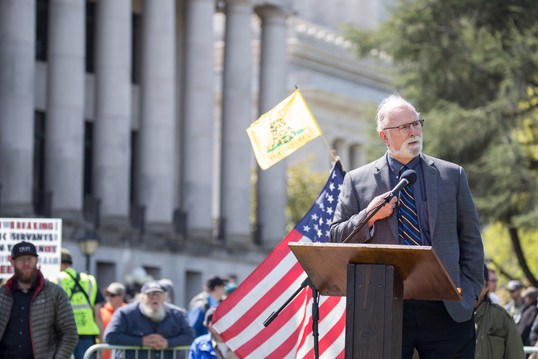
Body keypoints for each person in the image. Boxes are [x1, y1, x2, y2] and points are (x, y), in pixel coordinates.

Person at [330, 93, 484, 358]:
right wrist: (369, 215)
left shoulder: (452, 175)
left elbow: (470, 240)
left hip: (446, 305)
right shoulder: (358, 181)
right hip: (383, 305)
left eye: (416, 123)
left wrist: (469, 291)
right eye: (404, 127)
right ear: (384, 136)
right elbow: (335, 237)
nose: (414, 131)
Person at [0, 241, 79, 358]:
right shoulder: (2, 294)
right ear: (12, 262)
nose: (26, 263)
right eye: (21, 259)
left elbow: (69, 335)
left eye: (30, 259)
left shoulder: (55, 293)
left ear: (36, 261)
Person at [104, 280, 195, 359]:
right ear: (142, 297)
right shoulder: (125, 313)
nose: (155, 298)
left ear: (163, 297)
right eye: (150, 295)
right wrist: (142, 341)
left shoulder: (177, 314)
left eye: (158, 295)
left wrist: (167, 342)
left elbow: (190, 336)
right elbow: (110, 336)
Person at [54, 248, 106, 359]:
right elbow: (98, 314)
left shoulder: (54, 279)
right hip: (87, 336)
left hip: (63, 335)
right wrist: (101, 342)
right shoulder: (89, 280)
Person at [474, 265, 525, 359]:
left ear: (487, 285)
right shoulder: (448, 317)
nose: (469, 285)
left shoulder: (502, 317)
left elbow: (515, 355)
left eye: (475, 279)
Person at [101, 282, 127, 359]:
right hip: (104, 356)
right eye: (107, 295)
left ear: (121, 296)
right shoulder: (101, 312)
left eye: (112, 295)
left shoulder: (129, 313)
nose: (109, 298)